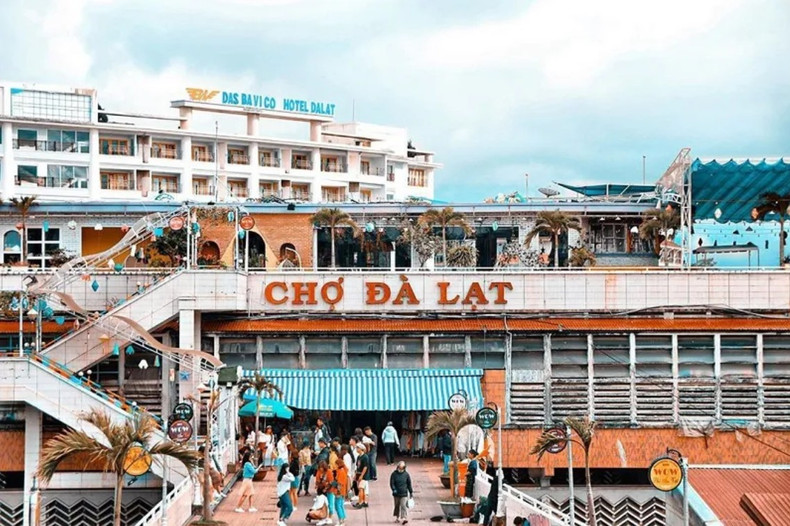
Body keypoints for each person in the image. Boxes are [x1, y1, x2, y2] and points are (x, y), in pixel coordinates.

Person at [330, 457, 349, 525]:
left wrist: (337, 491)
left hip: (339, 491)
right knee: (340, 505)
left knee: (337, 506)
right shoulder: (343, 470)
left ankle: (341, 520)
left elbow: (339, 483)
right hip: (342, 491)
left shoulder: (340, 472)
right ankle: (343, 517)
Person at [353, 443, 371, 508]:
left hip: (364, 475)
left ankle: (360, 502)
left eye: (358, 448)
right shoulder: (358, 457)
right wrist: (356, 475)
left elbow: (365, 467)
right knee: (361, 488)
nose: (357, 449)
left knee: (361, 488)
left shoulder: (365, 457)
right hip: (359, 474)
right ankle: (363, 501)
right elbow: (357, 466)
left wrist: (362, 475)